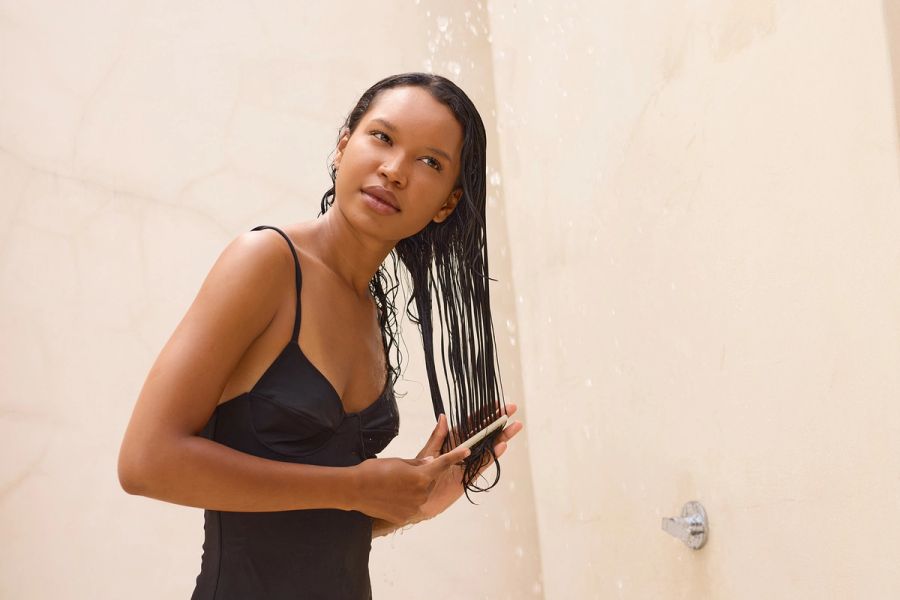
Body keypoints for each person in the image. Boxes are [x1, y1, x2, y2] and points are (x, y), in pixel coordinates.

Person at [117, 73, 523, 599]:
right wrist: (355, 487)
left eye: (430, 163)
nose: (394, 170)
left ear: (447, 203)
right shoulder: (265, 262)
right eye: (382, 137)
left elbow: (307, 526)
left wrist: (410, 502)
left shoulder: (369, 309)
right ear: (342, 147)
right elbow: (146, 462)